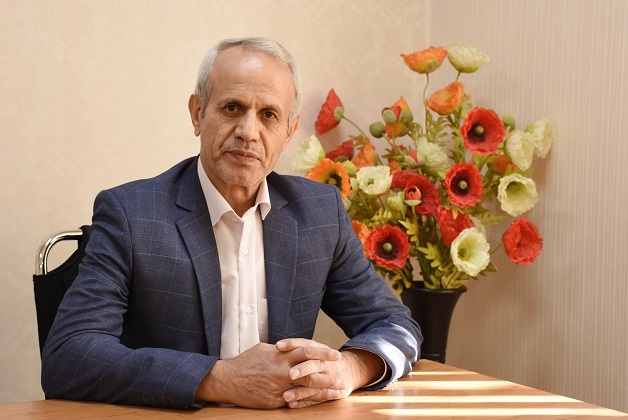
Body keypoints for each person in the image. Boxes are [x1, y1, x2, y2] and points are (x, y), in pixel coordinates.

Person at [41, 36, 421, 410]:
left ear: (288, 132)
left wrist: (351, 369)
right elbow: (68, 355)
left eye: (269, 115)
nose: (248, 132)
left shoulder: (319, 214)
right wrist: (220, 379)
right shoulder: (131, 214)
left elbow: (396, 326)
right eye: (232, 108)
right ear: (197, 113)